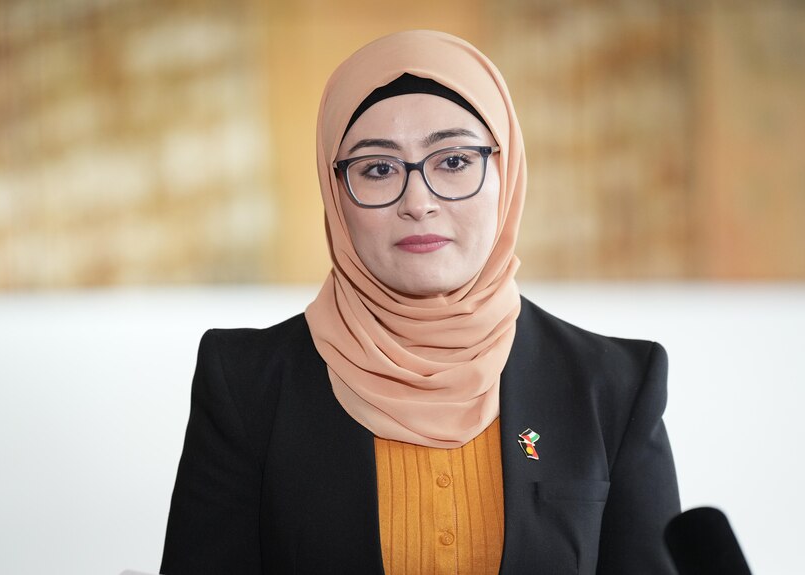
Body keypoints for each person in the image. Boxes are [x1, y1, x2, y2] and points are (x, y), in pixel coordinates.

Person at [160, 30, 680, 575]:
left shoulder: (612, 385)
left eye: (453, 161)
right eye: (378, 169)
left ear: (507, 174)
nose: (419, 202)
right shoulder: (248, 385)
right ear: (335, 192)